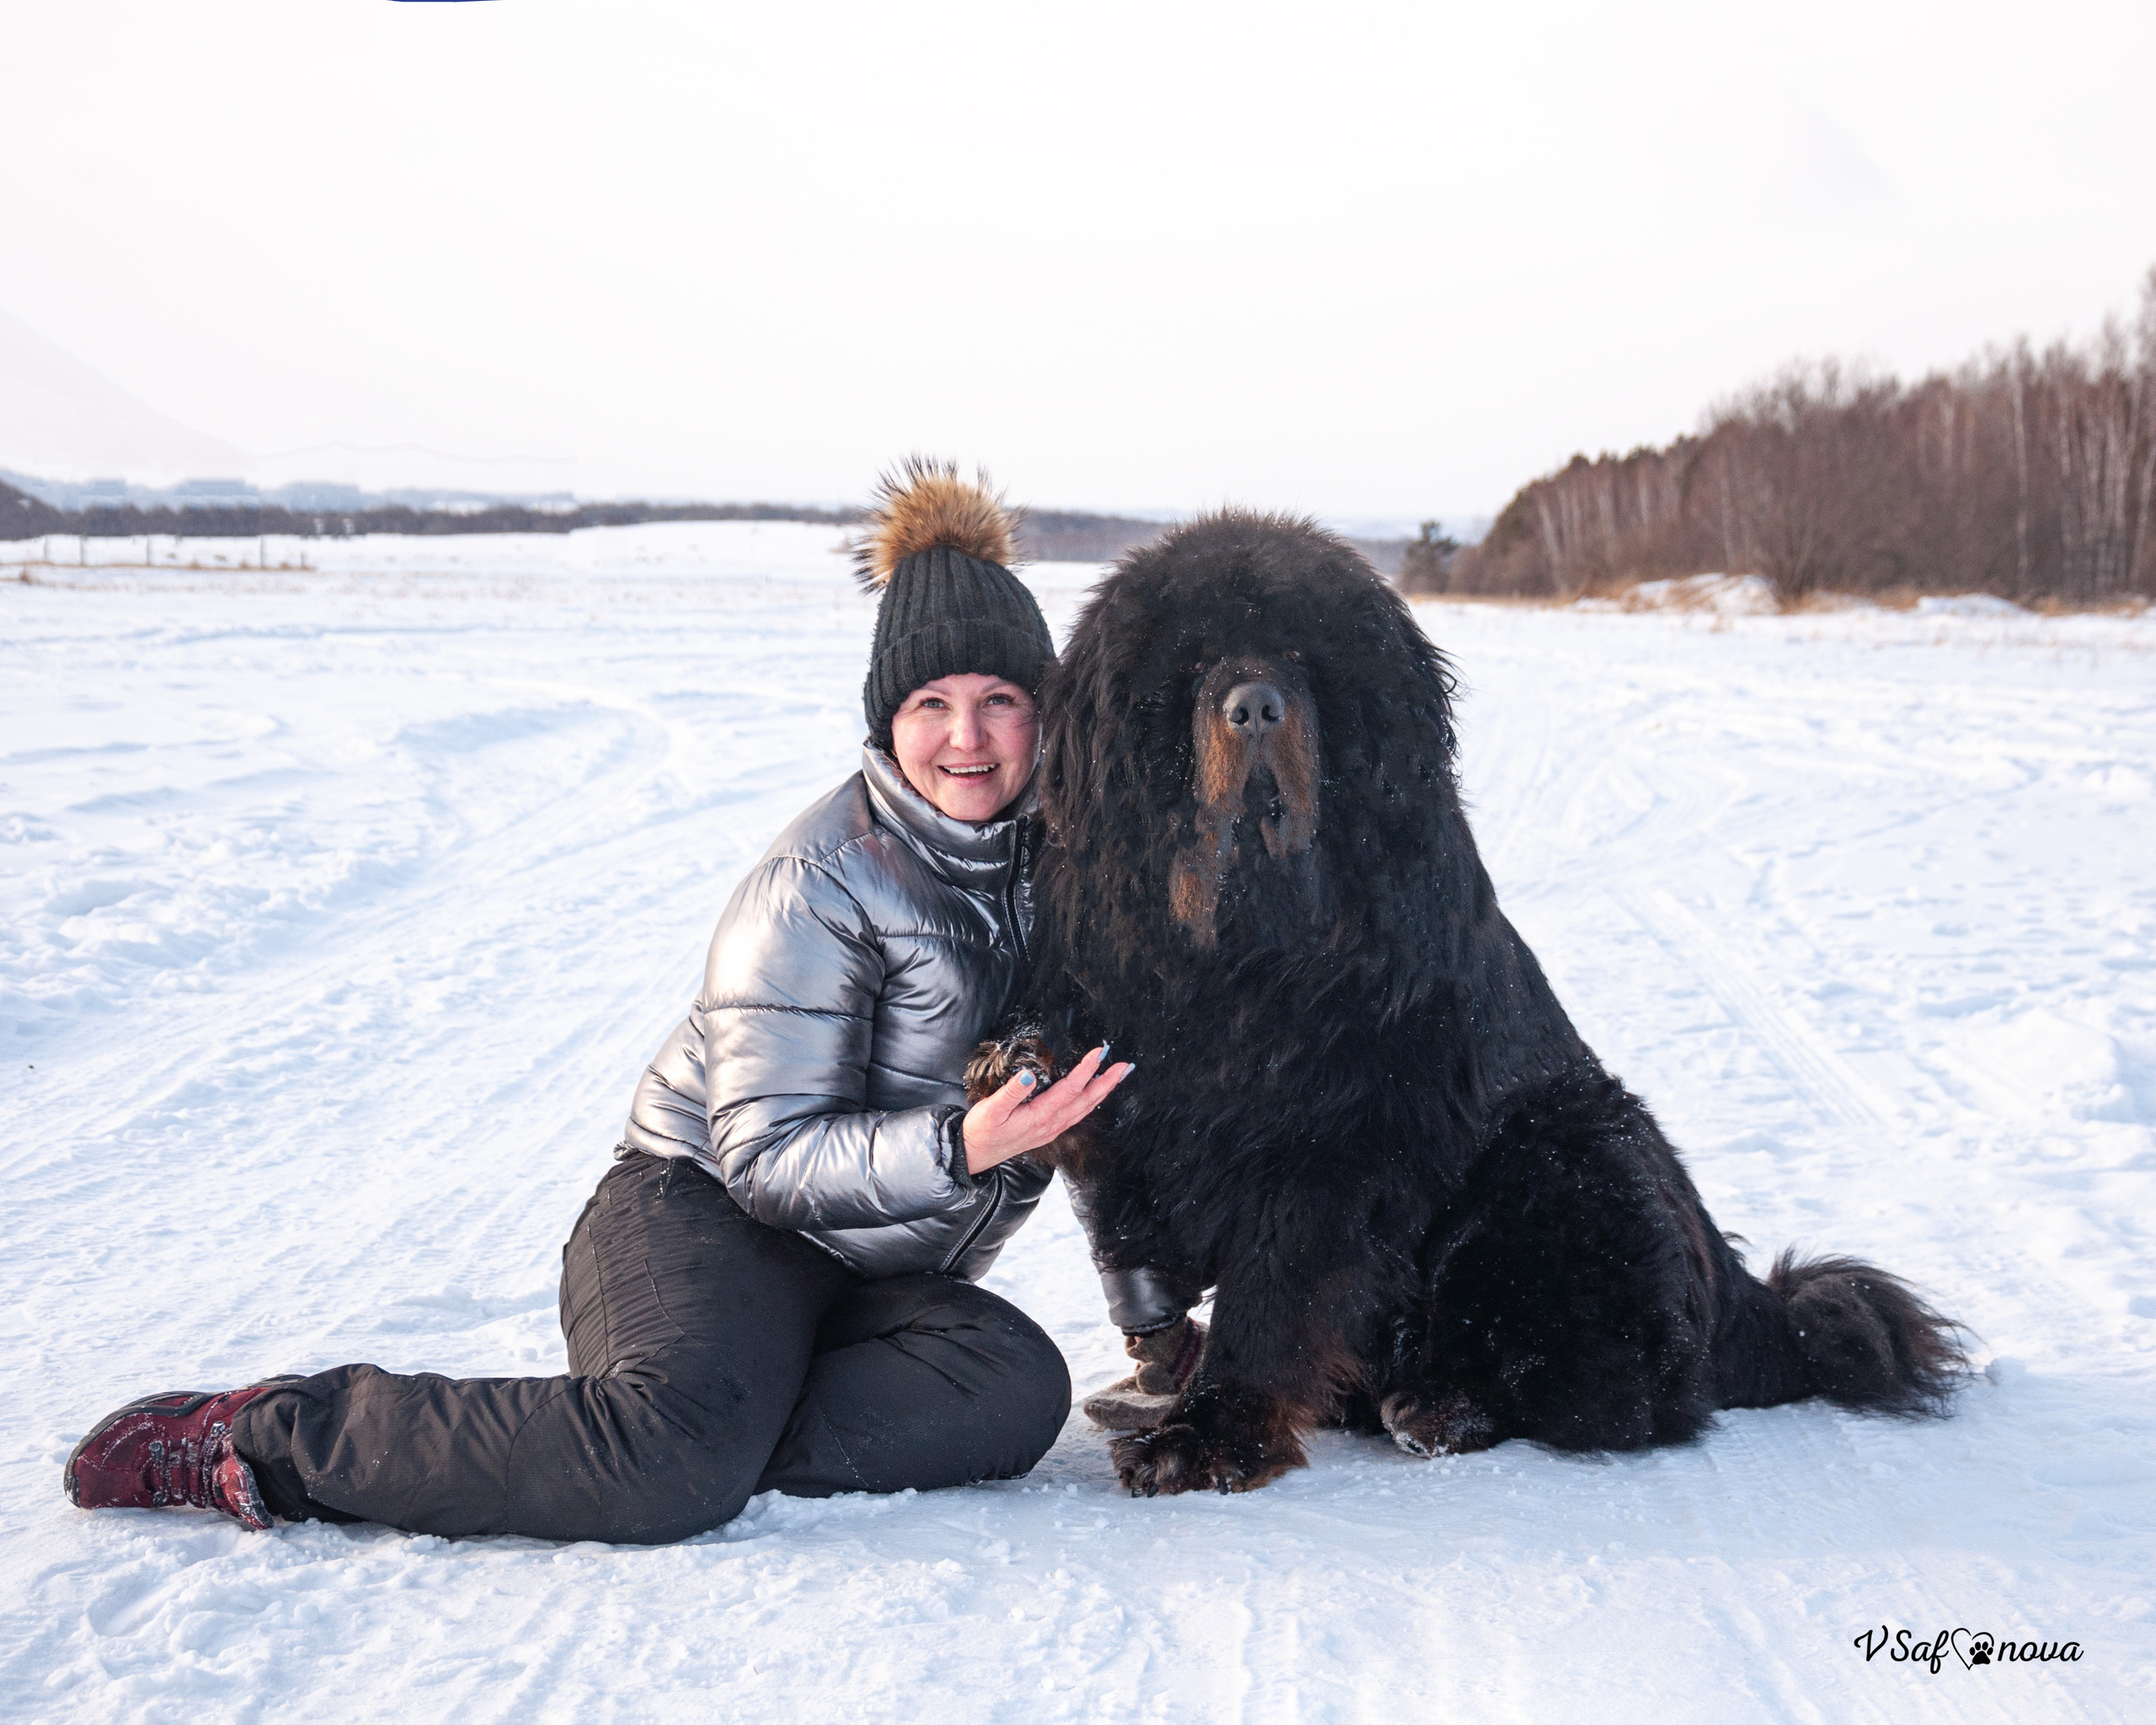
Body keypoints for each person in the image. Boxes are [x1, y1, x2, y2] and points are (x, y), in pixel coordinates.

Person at [63, 460, 1134, 1545]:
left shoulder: (1077, 873)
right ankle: (265, 1435)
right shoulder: (820, 879)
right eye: (932, 705)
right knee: (663, 1468)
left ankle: (699, 1424)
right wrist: (960, 1146)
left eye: (1003, 702)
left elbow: (1104, 1093)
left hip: (871, 1269)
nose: (969, 738)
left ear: (1047, 717)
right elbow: (765, 1160)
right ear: (886, 720)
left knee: (1011, 1389)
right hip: (703, 1210)